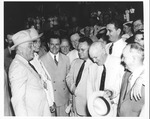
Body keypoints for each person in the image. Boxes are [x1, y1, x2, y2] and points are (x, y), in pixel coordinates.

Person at [9, 28, 51, 116]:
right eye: (29, 46)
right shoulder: (18, 67)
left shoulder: (25, 63)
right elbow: (18, 101)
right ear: (20, 50)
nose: (33, 48)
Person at [87, 41, 124, 116]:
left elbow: (121, 86)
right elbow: (90, 90)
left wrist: (111, 95)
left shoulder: (119, 63)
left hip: (114, 108)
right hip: (98, 109)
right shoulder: (92, 67)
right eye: (92, 58)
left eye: (96, 57)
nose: (94, 61)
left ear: (103, 51)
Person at [40, 34, 70, 116]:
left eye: (57, 44)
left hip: (63, 99)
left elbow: (69, 80)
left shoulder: (66, 59)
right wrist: (49, 101)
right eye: (52, 44)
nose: (54, 47)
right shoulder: (42, 60)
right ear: (48, 45)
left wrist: (70, 98)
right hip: (50, 100)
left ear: (60, 45)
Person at [66, 37, 93, 116]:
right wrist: (72, 88)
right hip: (74, 107)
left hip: (87, 108)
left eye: (82, 50)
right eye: (78, 50)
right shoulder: (75, 62)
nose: (79, 52)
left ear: (90, 49)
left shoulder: (94, 65)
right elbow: (69, 77)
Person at [117, 43, 145, 117]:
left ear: (134, 59)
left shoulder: (145, 83)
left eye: (124, 57)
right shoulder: (126, 75)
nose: (122, 60)